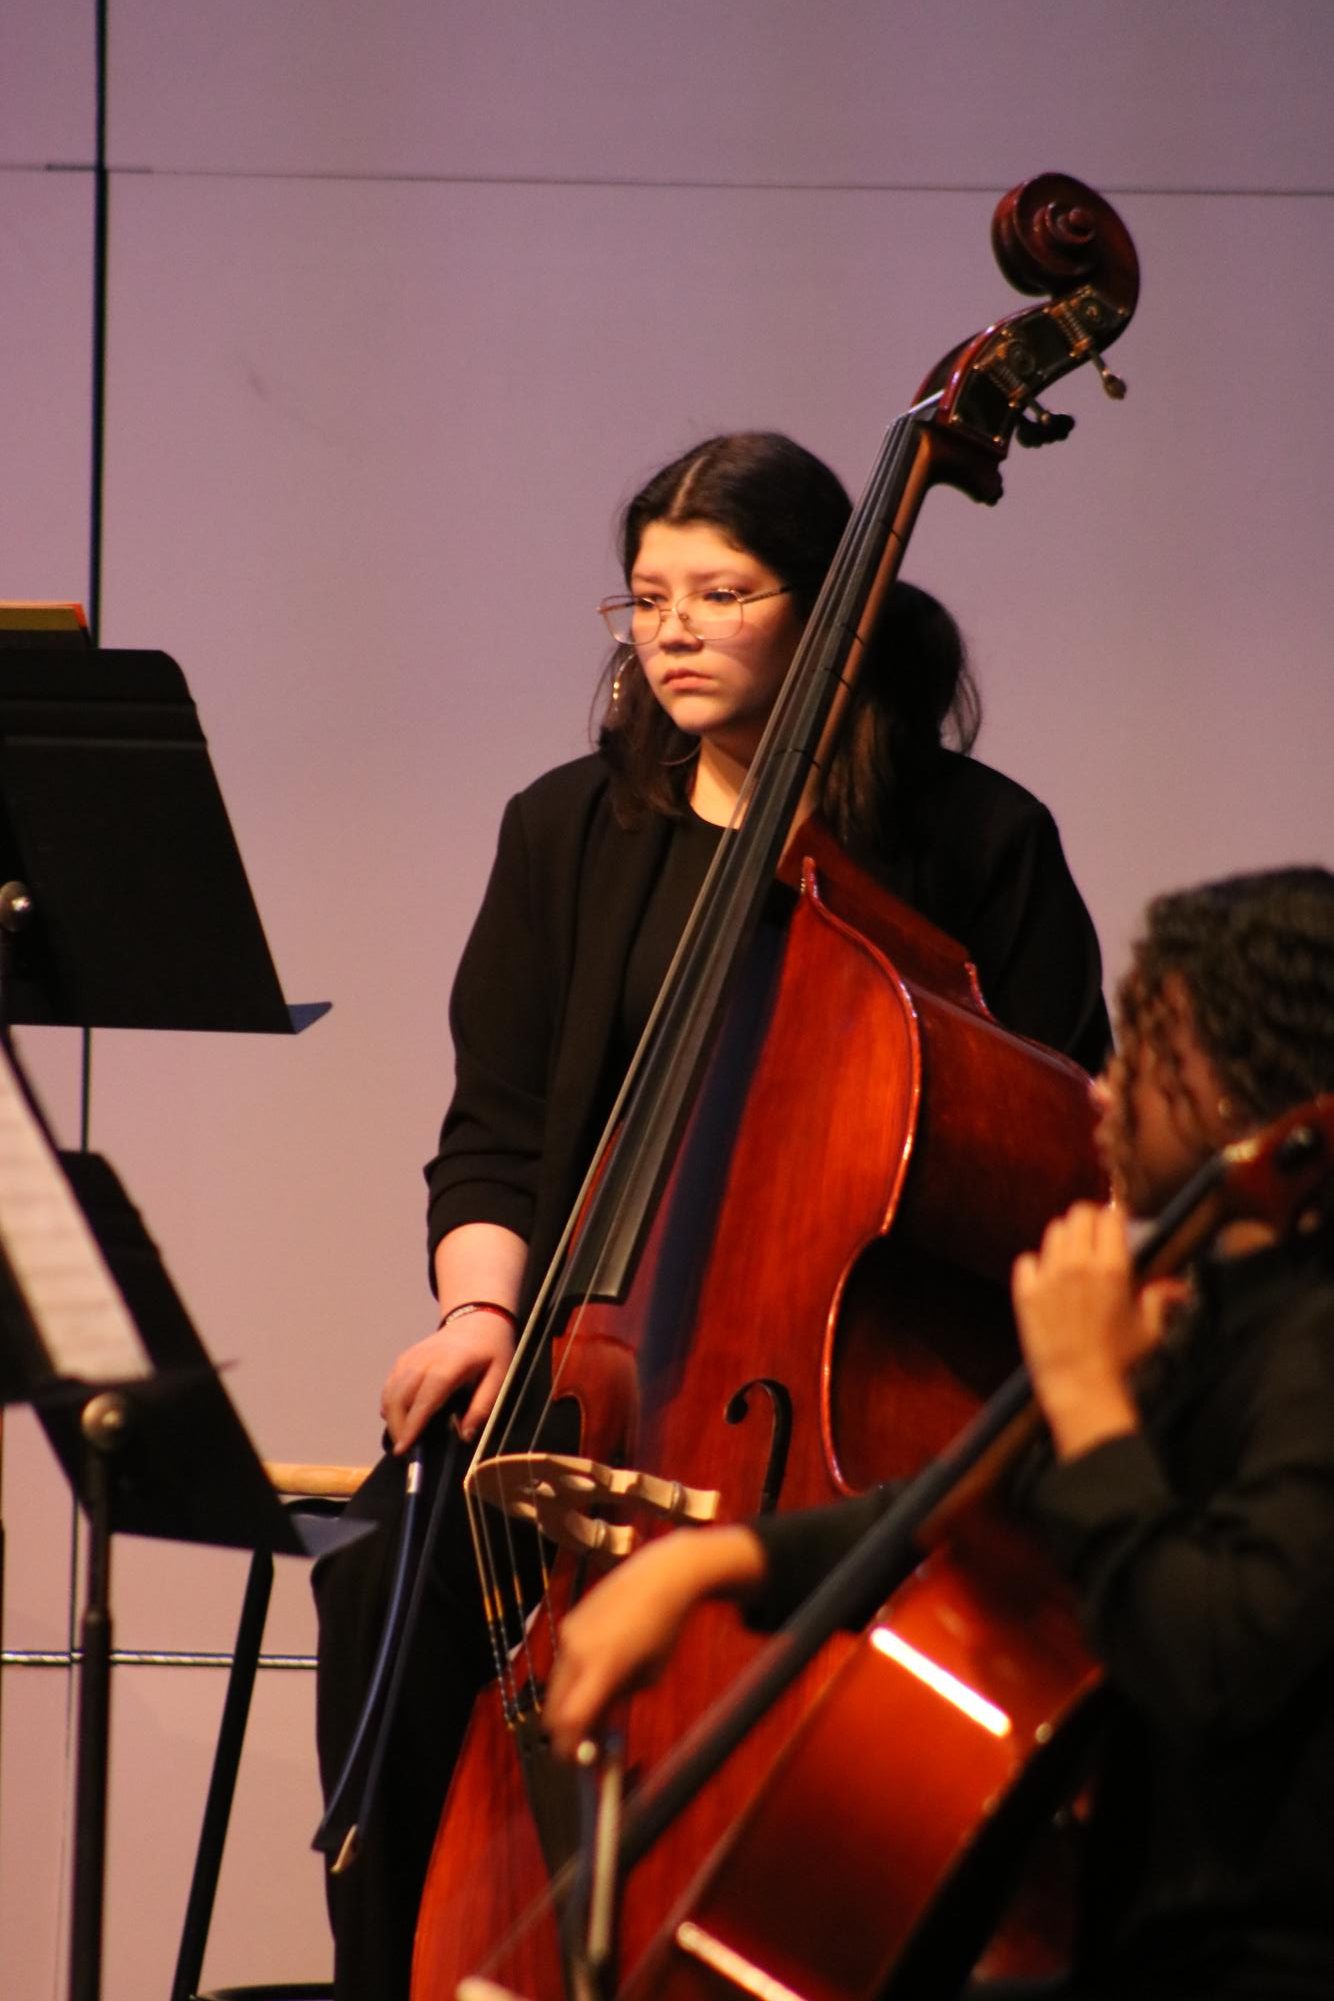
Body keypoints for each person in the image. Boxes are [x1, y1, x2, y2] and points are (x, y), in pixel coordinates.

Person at [314, 431, 1110, 1999]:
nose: (669, 629)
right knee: (389, 1567)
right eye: (644, 600)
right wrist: (481, 1313)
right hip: (597, 1363)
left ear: (828, 614)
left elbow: (1056, 1149)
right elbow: (491, 1129)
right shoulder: (566, 829)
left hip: (827, 1395)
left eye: (720, 593)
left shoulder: (975, 843)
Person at [544, 865, 1334, 2001]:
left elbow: (1214, 1657)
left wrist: (1090, 1402)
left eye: (1152, 1053)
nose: (1102, 1093)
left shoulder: (1309, 1347)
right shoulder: (1201, 1312)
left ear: (1241, 1094)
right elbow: (980, 1513)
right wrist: (713, 1563)